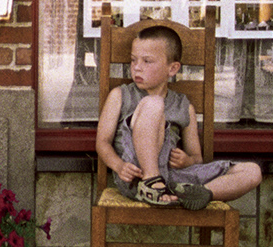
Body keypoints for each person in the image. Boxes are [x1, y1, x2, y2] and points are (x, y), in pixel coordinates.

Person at [96, 26, 262, 210]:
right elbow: (102, 142)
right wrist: (118, 166)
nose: (137, 67)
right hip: (136, 178)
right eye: (133, 60)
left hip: (173, 180)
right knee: (154, 103)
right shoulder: (120, 95)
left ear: (172, 68)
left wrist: (187, 161)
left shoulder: (184, 106)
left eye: (147, 61)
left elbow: (196, 158)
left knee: (252, 171)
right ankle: (151, 183)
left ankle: (199, 193)